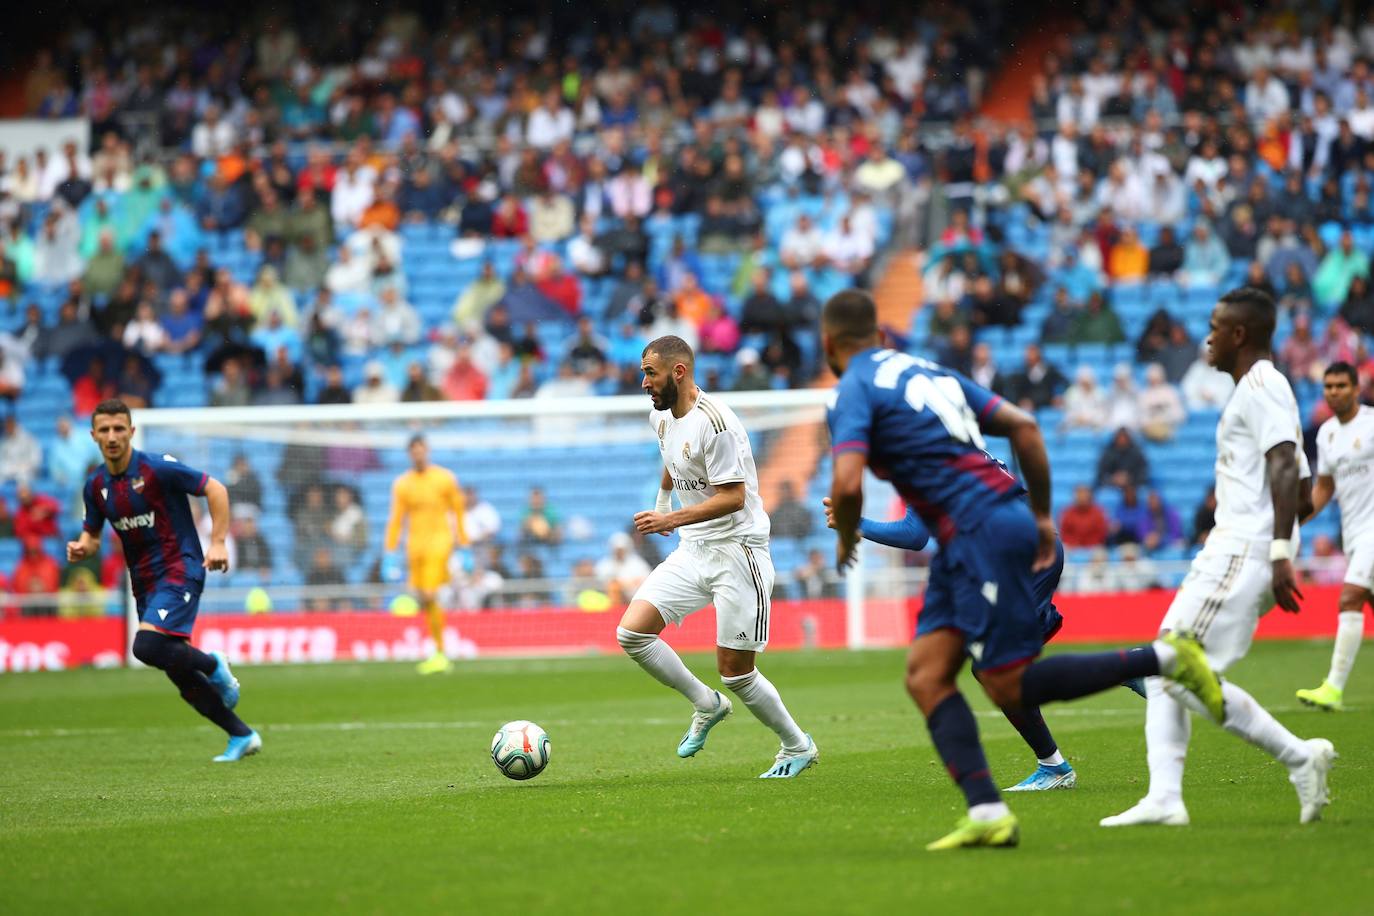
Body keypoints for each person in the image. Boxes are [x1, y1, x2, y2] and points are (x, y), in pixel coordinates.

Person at [820, 289, 1220, 849]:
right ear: (882, 337)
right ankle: (988, 811)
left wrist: (847, 533)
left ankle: (1160, 660)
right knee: (928, 675)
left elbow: (849, 486)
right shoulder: (932, 375)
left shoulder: (852, 392)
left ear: (828, 343)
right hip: (997, 531)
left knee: (1004, 677)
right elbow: (1027, 428)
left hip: (981, 533)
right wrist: (1039, 520)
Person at [1102, 286, 1335, 829]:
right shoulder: (1257, 390)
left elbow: (1282, 464)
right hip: (1237, 546)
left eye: (1214, 325)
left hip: (1243, 549)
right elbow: (1299, 490)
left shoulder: (1262, 385)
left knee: (1177, 670)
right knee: (1163, 667)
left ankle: (1300, 757)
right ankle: (1164, 797)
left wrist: (1277, 551)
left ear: (1238, 334)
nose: (1205, 335)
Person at [618, 335, 818, 779]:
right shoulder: (662, 417)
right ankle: (705, 704)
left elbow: (732, 497)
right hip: (694, 549)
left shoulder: (717, 423)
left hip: (737, 552)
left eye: (650, 372)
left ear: (679, 372)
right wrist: (664, 505)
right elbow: (671, 458)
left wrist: (671, 520)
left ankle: (796, 744)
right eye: (643, 372)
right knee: (632, 633)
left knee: (736, 673)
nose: (644, 381)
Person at [65, 399, 259, 762]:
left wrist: (217, 542)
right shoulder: (95, 485)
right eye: (104, 430)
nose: (112, 436)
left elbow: (215, 489)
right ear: (93, 436)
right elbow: (91, 534)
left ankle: (213, 665)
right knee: (174, 667)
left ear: (131, 432)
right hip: (144, 582)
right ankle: (241, 734)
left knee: (146, 648)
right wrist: (82, 547)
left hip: (179, 567)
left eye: (119, 428)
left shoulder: (156, 469)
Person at [1296, 363, 1374, 710]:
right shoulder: (1326, 433)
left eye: (1341, 385)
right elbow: (1324, 487)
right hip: (1354, 532)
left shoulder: (1371, 424)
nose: (1334, 391)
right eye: (1328, 386)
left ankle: (1334, 688)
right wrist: (1294, 521)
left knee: (1350, 598)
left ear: (1356, 388)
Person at [384, 435, 468, 675]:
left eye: (421, 450)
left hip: (439, 542)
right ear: (409, 454)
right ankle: (438, 651)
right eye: (414, 451)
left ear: (427, 451)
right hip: (415, 546)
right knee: (424, 598)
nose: (418, 455)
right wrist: (390, 551)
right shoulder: (403, 484)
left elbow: (458, 511)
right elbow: (396, 520)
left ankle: (440, 652)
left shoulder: (444, 478)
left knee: (430, 593)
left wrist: (464, 544)